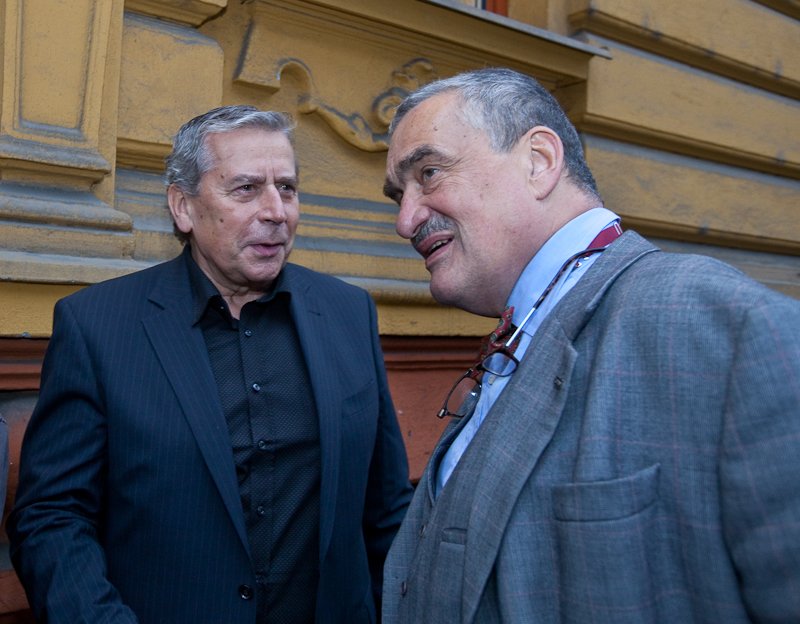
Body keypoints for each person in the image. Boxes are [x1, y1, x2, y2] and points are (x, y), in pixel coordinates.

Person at [381, 67, 800, 623]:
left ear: (539, 161)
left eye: (429, 173)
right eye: (399, 195)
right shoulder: (527, 322)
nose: (405, 219)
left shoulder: (722, 325)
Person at [8, 105, 412, 624]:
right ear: (183, 207)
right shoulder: (98, 327)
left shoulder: (348, 313)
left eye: (287, 188)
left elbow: (386, 509)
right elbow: (53, 516)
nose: (276, 211)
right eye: (246, 188)